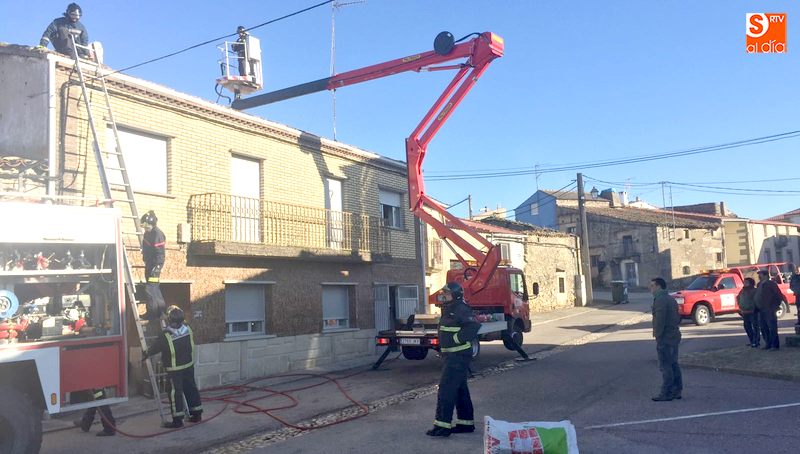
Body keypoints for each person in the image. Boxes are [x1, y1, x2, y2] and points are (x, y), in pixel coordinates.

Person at [425, 282, 480, 437]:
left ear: (455, 295)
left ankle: (442, 427)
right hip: (452, 355)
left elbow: (473, 326)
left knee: (446, 389)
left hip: (458, 356)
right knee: (460, 390)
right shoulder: (450, 308)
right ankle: (465, 423)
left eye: (447, 294)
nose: (444, 296)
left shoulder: (460, 309)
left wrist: (456, 339)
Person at [143, 306, 202, 428]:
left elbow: (155, 348)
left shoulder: (166, 335)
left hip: (175, 369)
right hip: (189, 365)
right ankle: (196, 414)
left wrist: (145, 354)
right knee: (191, 388)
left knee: (175, 393)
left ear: (170, 320)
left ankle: (177, 420)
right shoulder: (188, 329)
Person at [649, 277, 682, 402]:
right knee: (673, 364)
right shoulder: (670, 299)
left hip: (666, 337)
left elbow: (660, 320)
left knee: (665, 365)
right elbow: (678, 317)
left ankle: (667, 392)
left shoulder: (661, 300)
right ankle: (677, 390)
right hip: (673, 335)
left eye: (652, 286)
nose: (650, 288)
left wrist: (657, 335)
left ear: (658, 286)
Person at [141, 210, 166, 319]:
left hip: (155, 266)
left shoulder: (157, 234)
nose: (145, 229)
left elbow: (160, 253)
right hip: (150, 264)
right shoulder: (148, 233)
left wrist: (158, 267)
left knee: (150, 289)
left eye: (147, 226)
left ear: (152, 224)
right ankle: (161, 313)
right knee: (155, 289)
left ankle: (152, 314)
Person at [755, 270, 784, 351]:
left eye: (760, 275)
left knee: (772, 327)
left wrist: (774, 306)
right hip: (761, 309)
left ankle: (775, 345)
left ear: (765, 275)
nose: (758, 276)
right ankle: (768, 344)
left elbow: (779, 296)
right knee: (764, 328)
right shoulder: (759, 284)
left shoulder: (771, 284)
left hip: (769, 309)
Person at [737, 277, 759, 348]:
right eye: (744, 282)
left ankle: (756, 342)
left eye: (746, 282)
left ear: (751, 283)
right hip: (744, 312)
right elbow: (738, 298)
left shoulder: (754, 290)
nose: (744, 283)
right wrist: (740, 307)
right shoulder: (742, 291)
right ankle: (752, 341)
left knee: (755, 327)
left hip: (753, 311)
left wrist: (755, 308)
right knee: (747, 327)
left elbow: (757, 300)